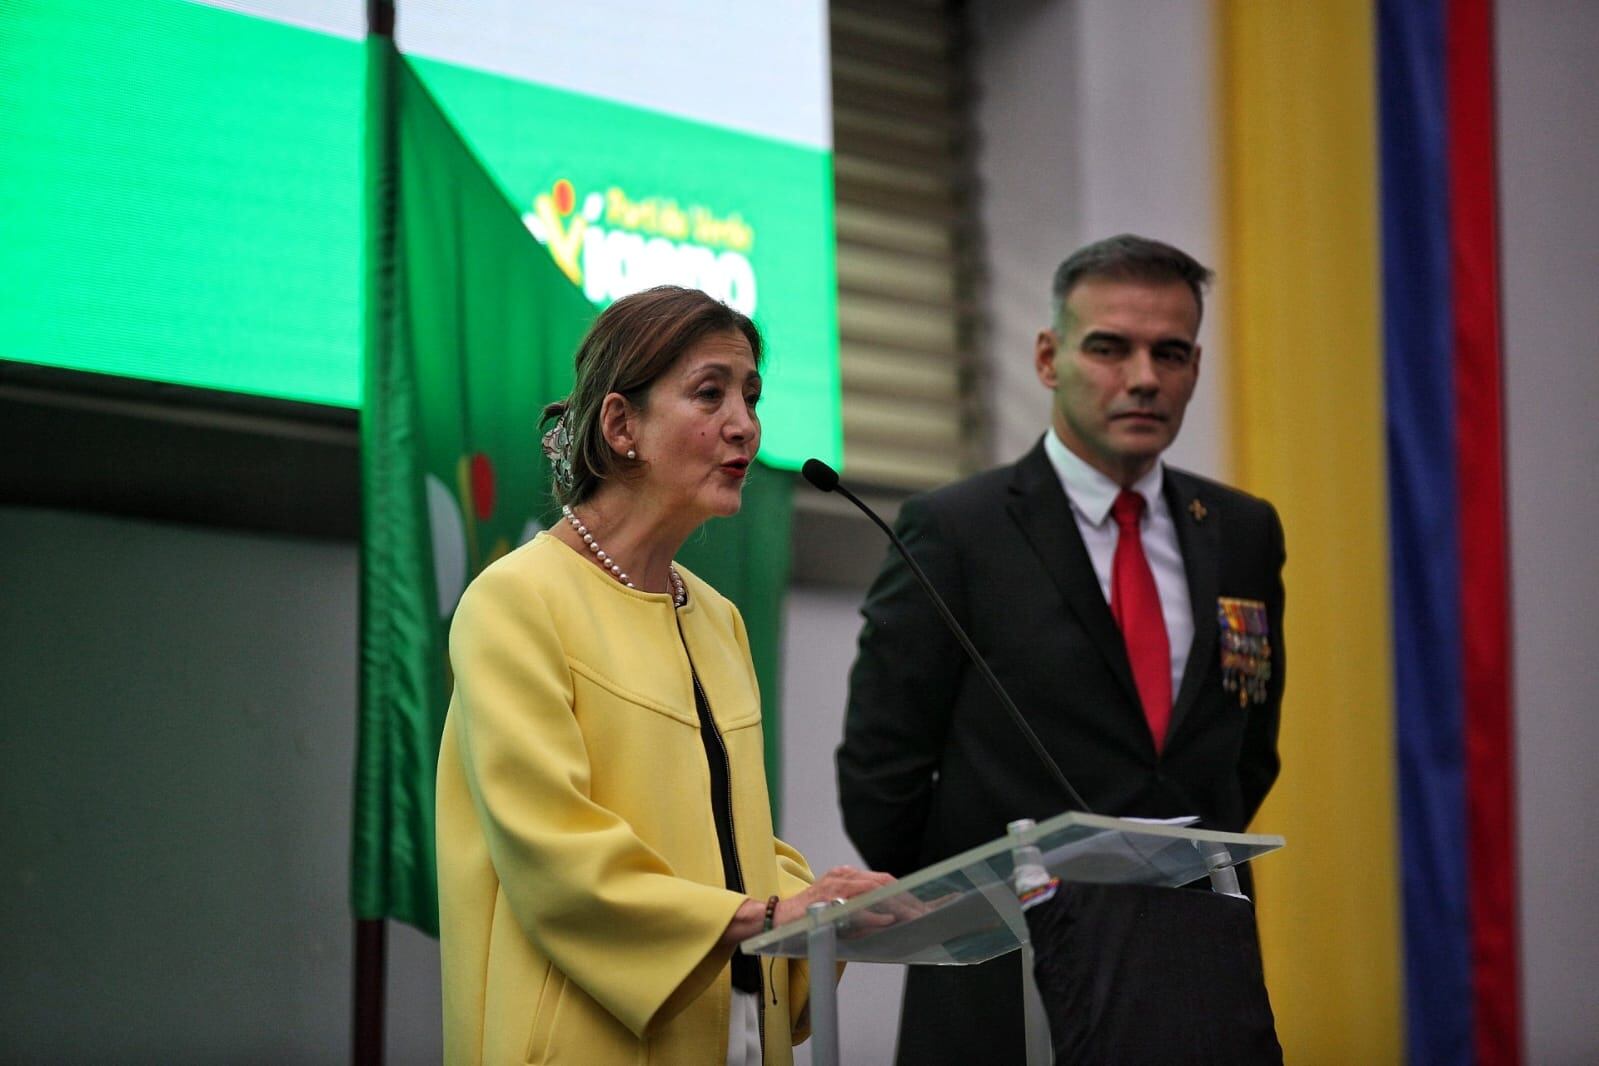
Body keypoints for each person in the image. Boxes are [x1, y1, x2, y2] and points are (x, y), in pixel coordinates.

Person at [837, 235, 1286, 1065]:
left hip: (1193, 976)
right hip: (1006, 979)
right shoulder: (957, 530)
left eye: (1171, 353)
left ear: (1194, 367)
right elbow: (880, 771)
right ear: (1048, 357)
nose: (1143, 377)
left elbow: (1246, 748)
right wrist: (971, 905)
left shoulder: (1241, 531)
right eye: (1109, 348)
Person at [437, 285, 892, 1066]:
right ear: (621, 426)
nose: (742, 424)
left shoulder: (716, 617)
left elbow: (730, 836)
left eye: (749, 396)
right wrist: (773, 912)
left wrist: (826, 903)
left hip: (735, 1034)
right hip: (585, 1038)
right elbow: (555, 853)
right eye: (708, 393)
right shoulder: (516, 601)